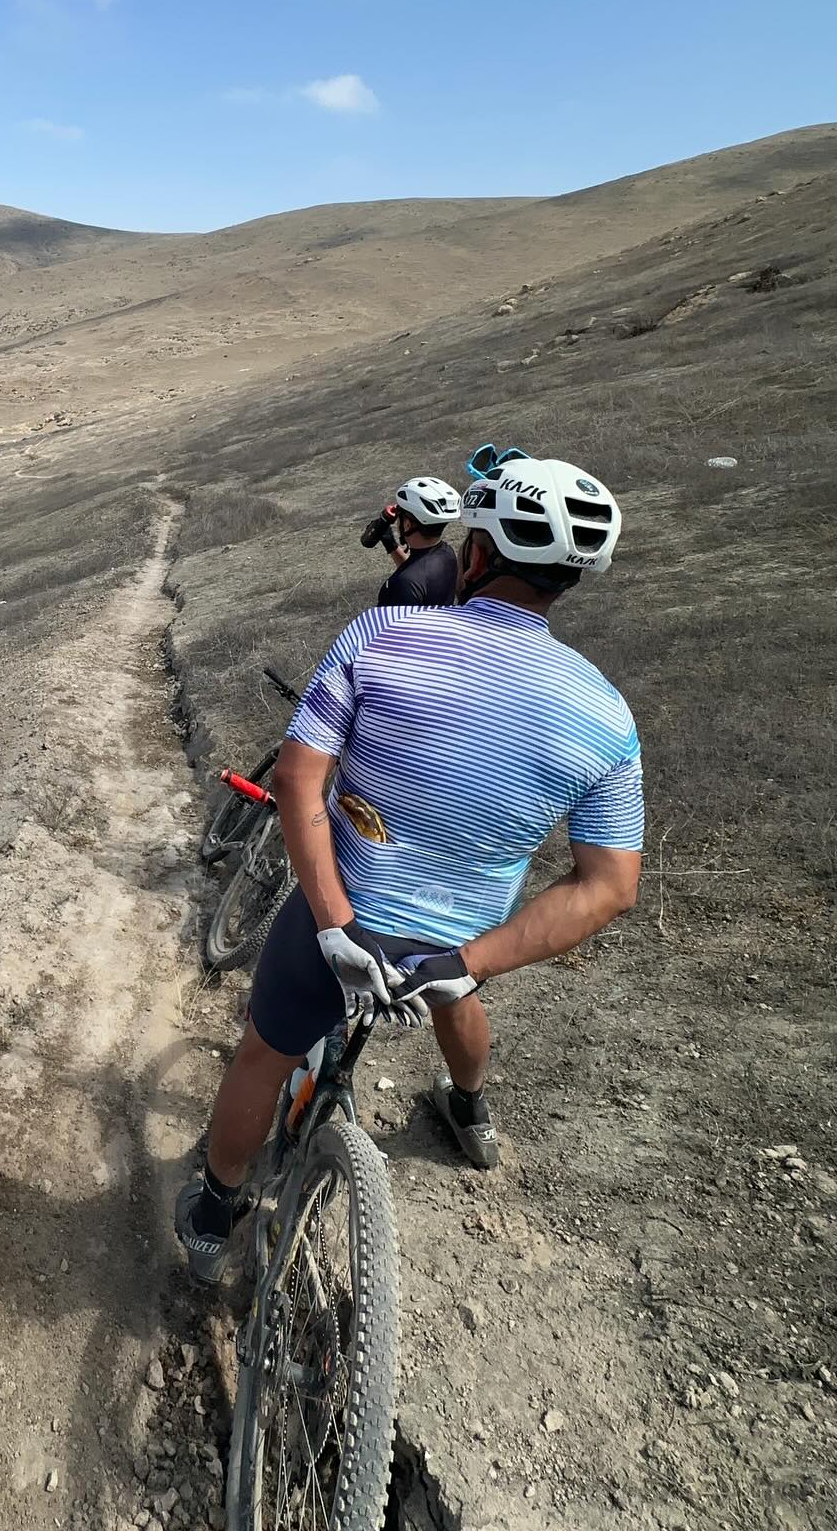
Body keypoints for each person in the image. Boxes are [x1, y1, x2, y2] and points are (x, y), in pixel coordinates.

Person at [177, 456, 644, 1283]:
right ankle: (467, 1108)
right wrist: (467, 961)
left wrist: (334, 921)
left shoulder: (383, 636)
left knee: (263, 1054)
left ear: (474, 555)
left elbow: (296, 777)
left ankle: (215, 1204)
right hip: (455, 948)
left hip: (343, 918)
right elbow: (609, 888)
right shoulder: (607, 714)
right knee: (456, 1005)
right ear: (569, 584)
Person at [360, 476, 462, 606]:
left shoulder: (401, 586)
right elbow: (416, 571)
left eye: (399, 514)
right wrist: (391, 546)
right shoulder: (447, 553)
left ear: (407, 524)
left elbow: (411, 579)